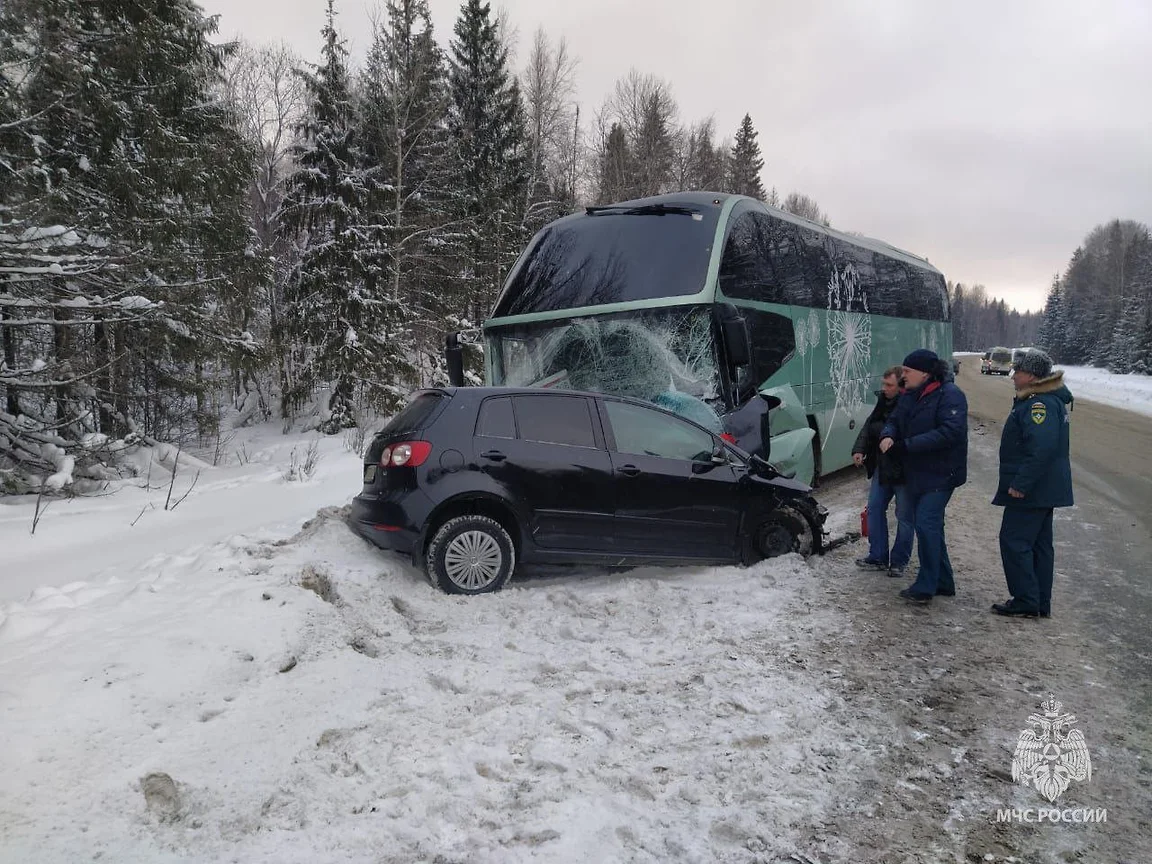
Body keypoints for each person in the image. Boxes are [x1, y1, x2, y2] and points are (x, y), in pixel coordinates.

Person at [879, 349, 968, 605]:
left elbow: (949, 432)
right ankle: (943, 581)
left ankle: (926, 585)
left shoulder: (951, 395)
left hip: (942, 473)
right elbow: (894, 419)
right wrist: (888, 434)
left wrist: (907, 445)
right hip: (919, 473)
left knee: (926, 524)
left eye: (907, 371)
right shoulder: (910, 394)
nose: (902, 376)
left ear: (925, 373)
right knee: (931, 527)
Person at [991, 348, 1073, 618]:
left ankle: (1026, 599)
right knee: (1038, 545)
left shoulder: (1040, 404)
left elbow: (1042, 448)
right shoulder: (1045, 400)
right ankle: (1038, 602)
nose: (1013, 375)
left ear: (1033, 375)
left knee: (1013, 540)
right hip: (1043, 488)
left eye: (1019, 371)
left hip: (1033, 490)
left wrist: (1021, 483)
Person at [852, 366, 913, 576]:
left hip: (905, 470)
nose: (884, 388)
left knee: (904, 516)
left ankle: (899, 561)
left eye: (889, 385)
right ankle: (877, 555)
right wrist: (859, 449)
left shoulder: (909, 406)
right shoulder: (882, 403)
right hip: (882, 467)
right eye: (883, 384)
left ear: (900, 386)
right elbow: (869, 426)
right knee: (875, 509)